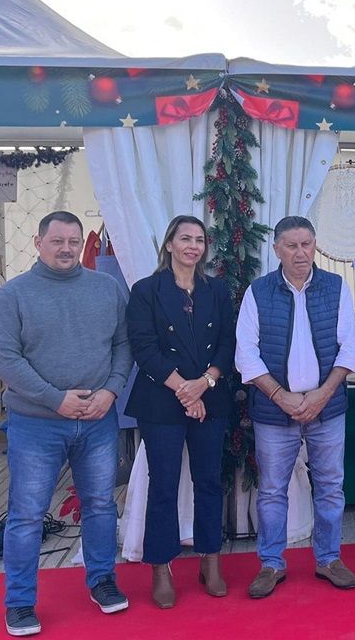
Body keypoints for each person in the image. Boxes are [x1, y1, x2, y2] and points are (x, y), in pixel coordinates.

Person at [0, 211, 133, 637]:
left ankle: (102, 580)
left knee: (101, 505)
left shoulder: (106, 288)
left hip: (97, 420)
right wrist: (56, 400)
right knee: (28, 515)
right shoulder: (14, 295)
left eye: (73, 240)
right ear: (38, 243)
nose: (67, 248)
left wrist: (110, 391)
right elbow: (5, 360)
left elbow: (123, 344)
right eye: (57, 241)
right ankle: (19, 602)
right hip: (36, 424)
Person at [235, 216, 355, 598]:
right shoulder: (258, 292)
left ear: (315, 245)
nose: (300, 252)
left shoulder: (336, 287)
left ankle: (328, 559)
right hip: (276, 410)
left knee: (330, 487)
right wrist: (281, 396)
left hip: (327, 406)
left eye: (306, 243)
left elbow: (349, 349)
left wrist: (322, 394)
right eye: (291, 245)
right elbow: (247, 355)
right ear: (276, 250)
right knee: (272, 490)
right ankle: (271, 564)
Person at [124, 215, 234, 607]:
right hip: (161, 400)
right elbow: (144, 347)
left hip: (210, 397)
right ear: (169, 243)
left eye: (199, 240)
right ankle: (161, 566)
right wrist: (185, 391)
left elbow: (227, 343)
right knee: (164, 484)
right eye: (185, 238)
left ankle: (210, 560)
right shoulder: (146, 290)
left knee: (208, 481)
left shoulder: (217, 290)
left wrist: (203, 384)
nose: (193, 246)